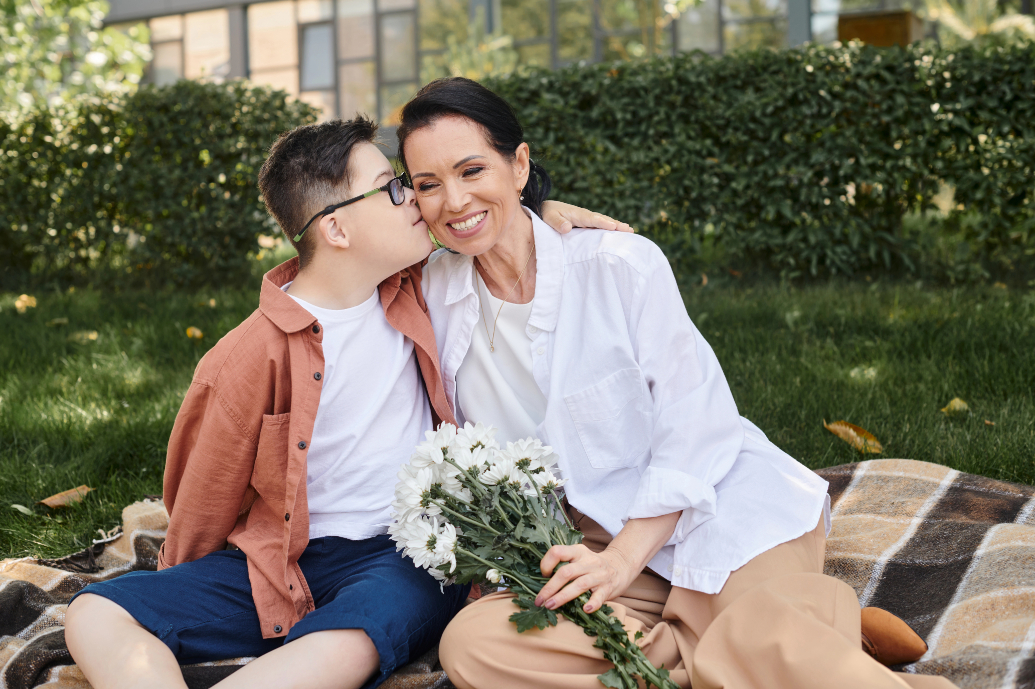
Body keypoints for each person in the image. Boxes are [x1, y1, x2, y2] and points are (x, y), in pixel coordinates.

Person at [399, 77, 958, 689]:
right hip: (589, 543)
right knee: (477, 644)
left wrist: (622, 559)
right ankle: (805, 635)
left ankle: (776, 637)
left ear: (520, 164)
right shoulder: (430, 291)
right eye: (427, 185)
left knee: (754, 631)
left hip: (714, 508)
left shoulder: (621, 267)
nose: (452, 200)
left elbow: (698, 426)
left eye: (473, 170)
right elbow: (332, 260)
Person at [63, 116, 625, 689]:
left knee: (353, 640)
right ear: (335, 229)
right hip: (280, 560)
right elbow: (204, 486)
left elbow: (488, 231)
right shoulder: (245, 356)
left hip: (403, 555)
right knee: (93, 611)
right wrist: (186, 580)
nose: (413, 198)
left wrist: (542, 216)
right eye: (391, 187)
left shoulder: (420, 288)